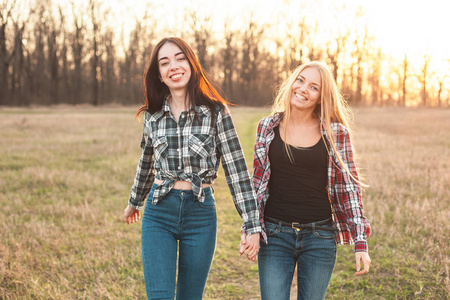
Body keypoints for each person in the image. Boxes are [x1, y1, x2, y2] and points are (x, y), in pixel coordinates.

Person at [123, 37, 261, 300]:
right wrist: (135, 200)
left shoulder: (215, 112)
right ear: (160, 75)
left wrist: (251, 223)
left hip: (200, 214)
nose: (173, 66)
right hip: (159, 212)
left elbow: (237, 171)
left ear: (191, 64)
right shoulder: (153, 116)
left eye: (179, 58)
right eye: (164, 63)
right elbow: (147, 162)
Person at [240, 61, 372, 300]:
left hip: (319, 236)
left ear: (321, 97)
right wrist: (251, 228)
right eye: (300, 80)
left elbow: (349, 189)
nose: (303, 89)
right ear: (291, 83)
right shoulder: (267, 127)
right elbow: (257, 185)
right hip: (275, 234)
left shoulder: (336, 133)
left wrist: (360, 241)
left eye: (314, 87)